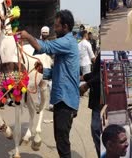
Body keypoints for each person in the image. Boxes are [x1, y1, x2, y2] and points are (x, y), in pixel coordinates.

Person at [20, 9, 79, 158]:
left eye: (57, 26)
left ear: (65, 26)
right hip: (63, 98)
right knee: (61, 139)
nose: (55, 29)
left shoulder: (67, 41)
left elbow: (44, 47)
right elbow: (59, 72)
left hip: (65, 100)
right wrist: (41, 73)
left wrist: (27, 36)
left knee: (62, 142)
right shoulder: (67, 43)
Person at [79, 51, 101, 157]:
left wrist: (87, 85)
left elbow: (101, 75)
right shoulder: (101, 53)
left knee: (96, 129)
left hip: (102, 99)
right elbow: (95, 73)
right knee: (96, 130)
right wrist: (82, 77)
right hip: (97, 98)